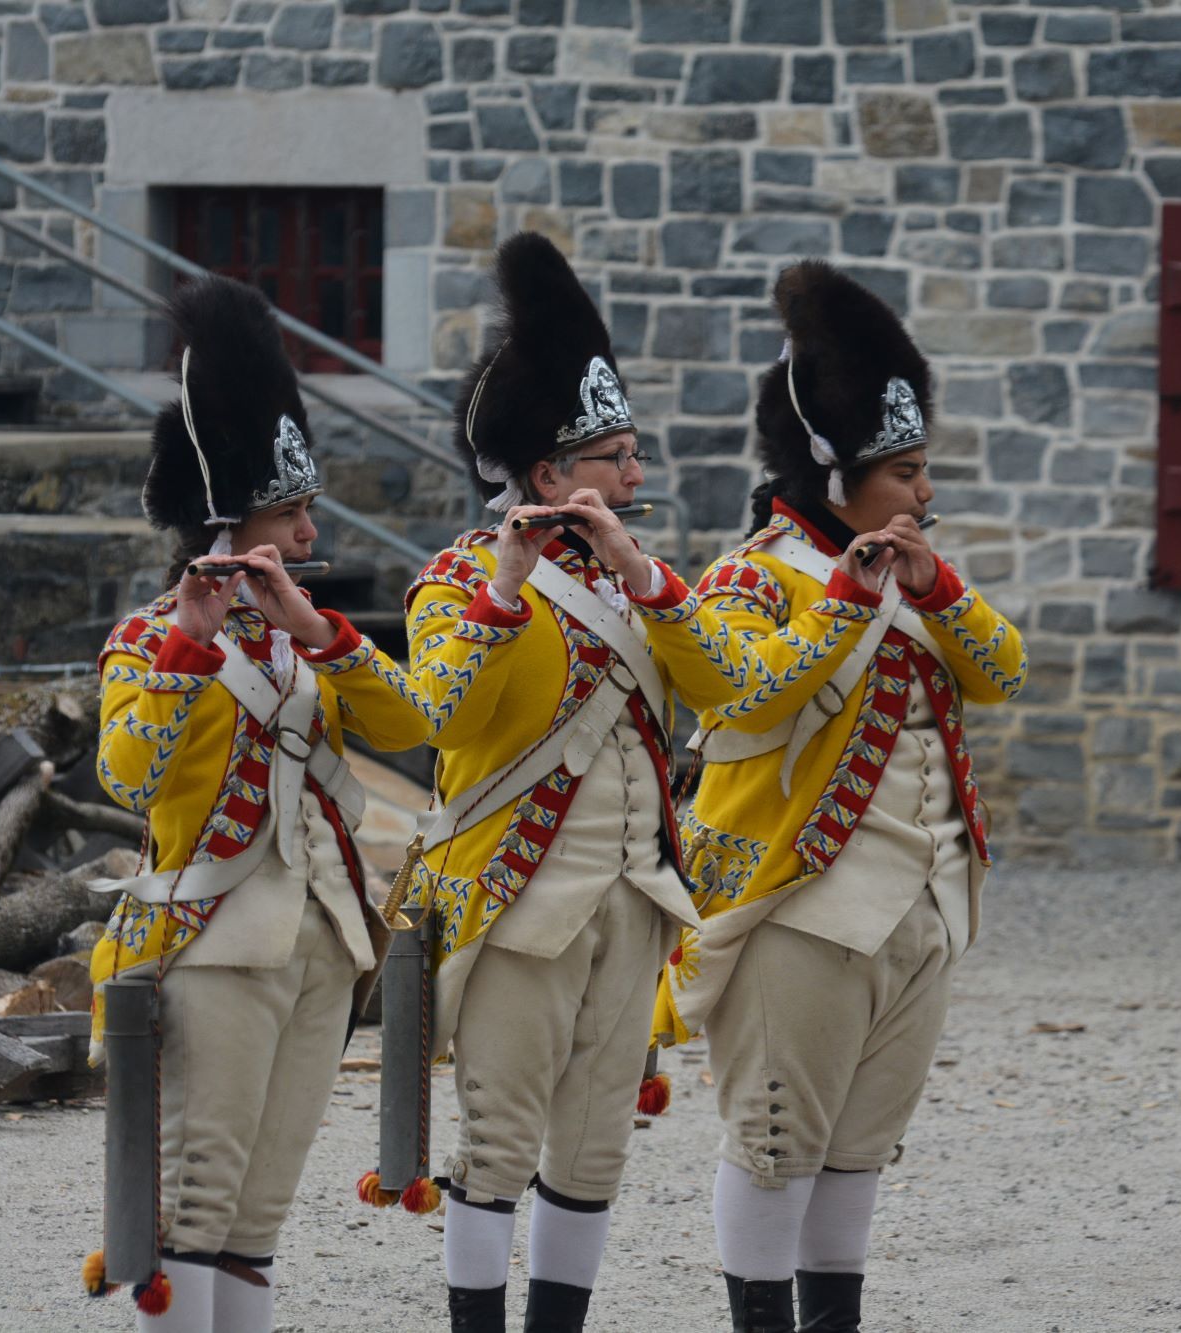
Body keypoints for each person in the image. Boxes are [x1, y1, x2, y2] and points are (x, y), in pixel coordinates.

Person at [651, 261, 1027, 1333]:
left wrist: (935, 587)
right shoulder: (751, 579)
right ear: (837, 475)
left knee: (858, 1148)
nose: (924, 494)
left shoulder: (924, 578)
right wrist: (849, 604)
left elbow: (1003, 672)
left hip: (923, 897)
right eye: (905, 472)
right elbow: (752, 700)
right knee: (775, 1139)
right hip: (795, 898)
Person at [401, 232, 751, 1332]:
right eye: (614, 456)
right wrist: (508, 586)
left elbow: (726, 687)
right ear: (548, 474)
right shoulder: (458, 581)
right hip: (515, 899)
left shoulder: (644, 583)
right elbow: (440, 714)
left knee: (595, 1143)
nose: (636, 476)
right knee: (498, 1137)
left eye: (632, 455)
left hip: (633, 899)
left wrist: (645, 576)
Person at [85, 275, 433, 1331]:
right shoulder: (152, 641)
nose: (311, 528)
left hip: (323, 938)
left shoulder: (308, 637)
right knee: (197, 1195)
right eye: (293, 513)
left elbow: (412, 726)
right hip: (213, 938)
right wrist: (192, 643)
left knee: (261, 1208)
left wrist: (326, 634)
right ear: (232, 524)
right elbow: (126, 776)